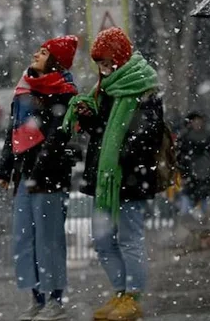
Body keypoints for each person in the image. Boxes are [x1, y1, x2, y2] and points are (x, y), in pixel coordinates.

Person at [65, 27, 162, 321]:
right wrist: (89, 119)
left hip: (129, 178)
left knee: (129, 238)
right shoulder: (106, 89)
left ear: (120, 58)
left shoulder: (144, 88)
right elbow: (102, 132)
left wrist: (121, 156)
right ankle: (120, 292)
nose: (104, 70)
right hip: (105, 178)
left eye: (108, 63)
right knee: (103, 239)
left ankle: (133, 296)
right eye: (100, 65)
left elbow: (148, 135)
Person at [0, 35, 79, 321]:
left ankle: (55, 299)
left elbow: (59, 136)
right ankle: (37, 298)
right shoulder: (24, 89)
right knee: (23, 239)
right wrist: (5, 169)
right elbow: (13, 133)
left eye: (43, 52)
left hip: (49, 178)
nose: (36, 54)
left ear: (55, 60)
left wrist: (41, 162)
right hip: (24, 177)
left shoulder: (64, 92)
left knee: (49, 239)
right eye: (39, 50)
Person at [176, 111, 210, 218]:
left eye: (200, 121)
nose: (198, 124)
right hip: (191, 173)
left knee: (203, 199)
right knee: (188, 199)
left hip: (204, 173)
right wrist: (184, 173)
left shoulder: (207, 136)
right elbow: (180, 157)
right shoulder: (185, 137)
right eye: (195, 121)